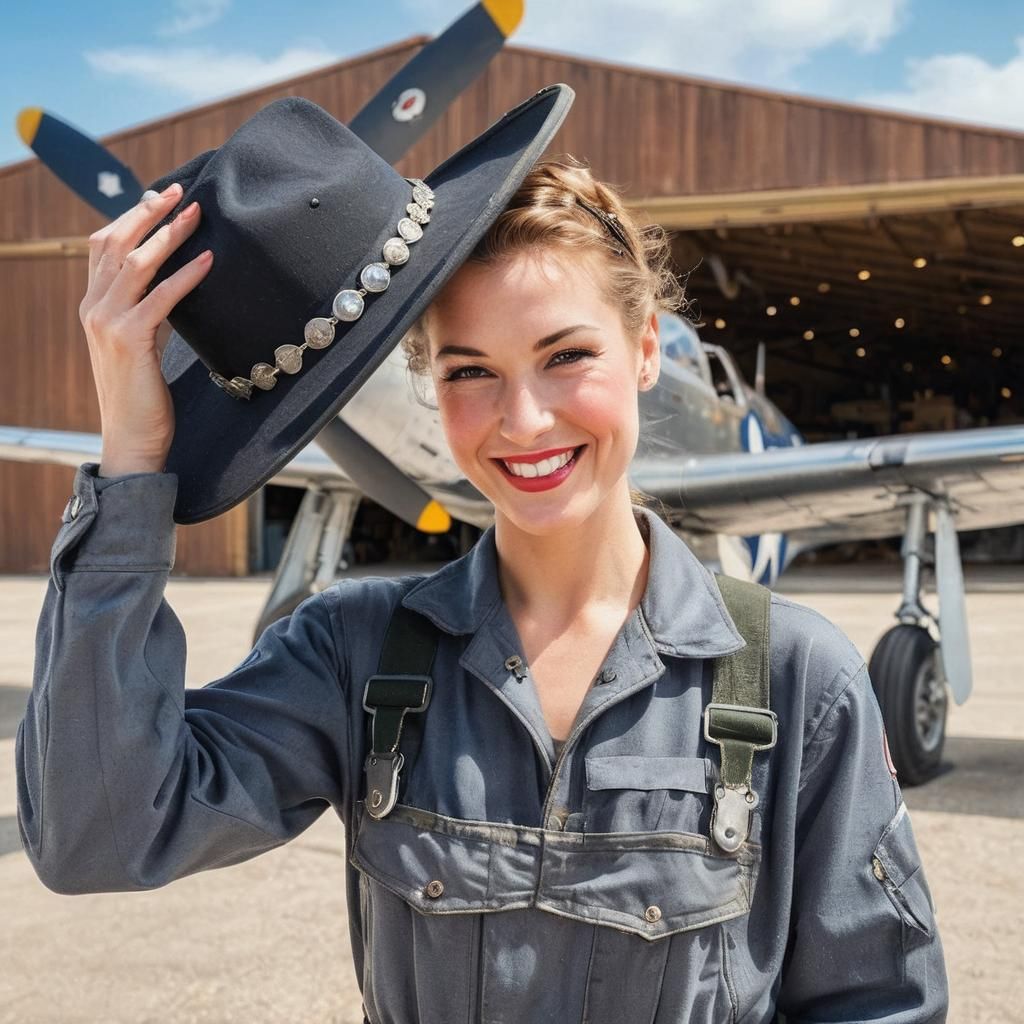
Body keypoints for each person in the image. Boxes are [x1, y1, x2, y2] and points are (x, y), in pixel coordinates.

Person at [17, 103, 947, 1021]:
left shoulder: (800, 679)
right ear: (427, 379)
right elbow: (96, 832)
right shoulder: (353, 653)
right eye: (469, 370)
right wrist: (134, 461)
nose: (525, 420)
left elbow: (879, 1001)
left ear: (645, 349)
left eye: (566, 355)